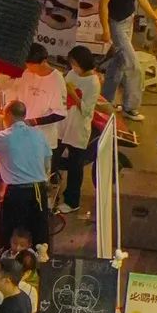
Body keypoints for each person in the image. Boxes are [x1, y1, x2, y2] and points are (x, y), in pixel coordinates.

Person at [99, 0, 157, 122]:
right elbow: (103, 5)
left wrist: (154, 16)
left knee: (118, 63)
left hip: (129, 22)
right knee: (134, 66)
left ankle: (105, 100)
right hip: (117, 25)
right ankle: (130, 107)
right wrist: (106, 29)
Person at [0, 101, 52, 252]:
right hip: (38, 189)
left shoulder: (2, 137)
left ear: (8, 115)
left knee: (13, 230)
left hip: (17, 192)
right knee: (38, 231)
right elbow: (48, 161)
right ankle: (38, 263)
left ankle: (12, 263)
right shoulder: (38, 134)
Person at [57, 45, 100, 212]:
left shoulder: (93, 82)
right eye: (71, 63)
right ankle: (52, 192)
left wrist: (73, 93)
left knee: (76, 166)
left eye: (75, 64)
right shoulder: (72, 74)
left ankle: (72, 201)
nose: (73, 67)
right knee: (53, 159)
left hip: (78, 128)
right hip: (63, 124)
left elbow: (87, 110)